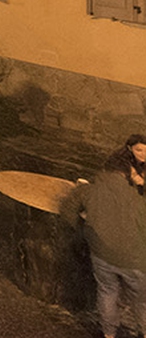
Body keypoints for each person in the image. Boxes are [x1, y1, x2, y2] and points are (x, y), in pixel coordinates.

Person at [58, 143, 146, 338]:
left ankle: (108, 334)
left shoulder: (92, 188)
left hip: (102, 254)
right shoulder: (138, 194)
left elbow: (68, 210)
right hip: (135, 259)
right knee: (141, 300)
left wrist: (84, 231)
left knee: (107, 292)